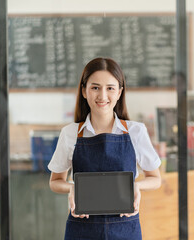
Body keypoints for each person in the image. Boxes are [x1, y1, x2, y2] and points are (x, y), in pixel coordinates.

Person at [48, 57, 162, 240]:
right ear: (84, 91)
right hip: (82, 230)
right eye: (95, 87)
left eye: (110, 88)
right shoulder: (70, 134)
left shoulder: (136, 131)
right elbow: (55, 181)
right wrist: (72, 188)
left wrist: (136, 186)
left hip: (125, 229)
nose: (102, 96)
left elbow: (155, 178)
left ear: (119, 92)